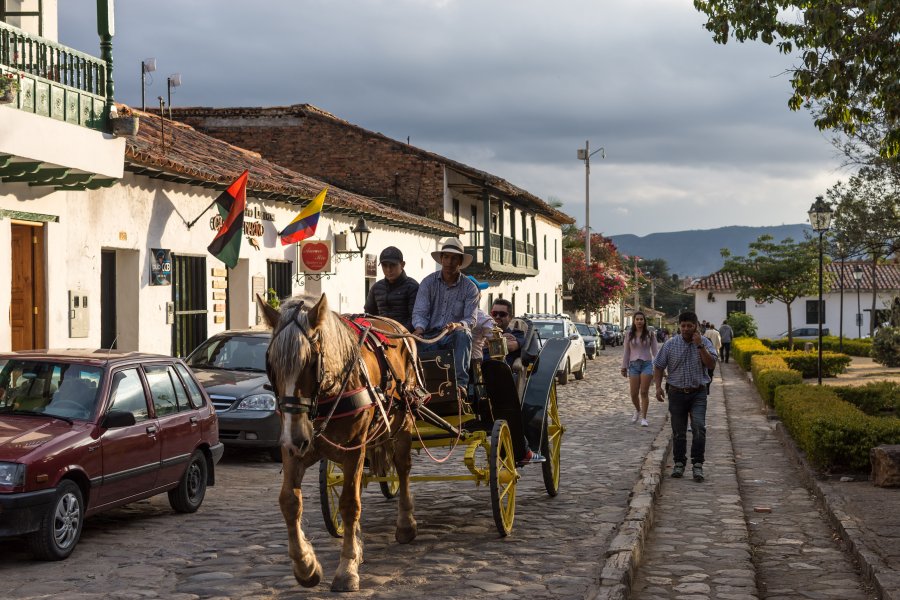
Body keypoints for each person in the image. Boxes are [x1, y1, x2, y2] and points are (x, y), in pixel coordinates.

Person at [653, 311, 718, 482]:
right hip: (676, 393)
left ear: (696, 326)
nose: (686, 329)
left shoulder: (705, 343)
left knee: (699, 428)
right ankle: (679, 463)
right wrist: (658, 387)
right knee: (679, 431)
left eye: (690, 326)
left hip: (698, 392)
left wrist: (700, 346)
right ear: (679, 326)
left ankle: (697, 465)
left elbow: (711, 364)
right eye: (683, 326)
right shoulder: (670, 344)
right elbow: (659, 366)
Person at [412, 238, 479, 396]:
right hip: (430, 337)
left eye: (454, 258)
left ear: (460, 261)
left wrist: (457, 325)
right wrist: (419, 329)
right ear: (441, 259)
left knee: (464, 334)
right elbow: (420, 312)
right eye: (446, 257)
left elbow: (471, 319)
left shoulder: (470, 288)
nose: (449, 262)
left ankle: (460, 384)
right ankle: (414, 385)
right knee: (411, 341)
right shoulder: (428, 283)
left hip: (453, 338)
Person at [364, 246, 419, 332]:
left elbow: (415, 317)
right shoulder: (376, 288)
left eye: (392, 265)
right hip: (380, 336)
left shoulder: (412, 287)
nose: (388, 270)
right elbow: (369, 315)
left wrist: (399, 333)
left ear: (402, 264)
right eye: (384, 266)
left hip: (404, 336)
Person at [620, 311, 659, 427]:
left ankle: (644, 418)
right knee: (633, 393)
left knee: (644, 392)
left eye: (641, 319)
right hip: (633, 366)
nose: (639, 321)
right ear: (634, 321)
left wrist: (658, 366)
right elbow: (626, 352)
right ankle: (638, 409)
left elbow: (655, 351)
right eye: (637, 319)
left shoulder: (650, 334)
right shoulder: (629, 334)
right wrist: (624, 367)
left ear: (644, 321)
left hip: (646, 364)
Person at [487, 298, 525, 367]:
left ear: (510, 317)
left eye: (502, 314)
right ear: (490, 315)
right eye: (494, 313)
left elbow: (508, 347)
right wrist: (502, 339)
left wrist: (483, 342)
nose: (497, 317)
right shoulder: (482, 332)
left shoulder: (517, 334)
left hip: (500, 373)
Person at [703, 322, 722, 393]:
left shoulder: (706, 332)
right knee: (711, 371)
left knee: (705, 370)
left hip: (706, 352)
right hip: (713, 352)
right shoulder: (717, 333)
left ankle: (706, 385)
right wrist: (718, 348)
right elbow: (719, 342)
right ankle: (707, 386)